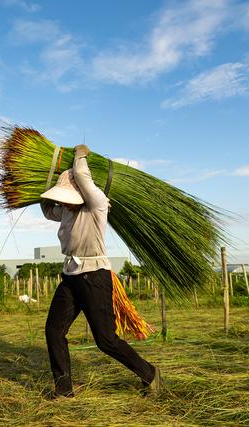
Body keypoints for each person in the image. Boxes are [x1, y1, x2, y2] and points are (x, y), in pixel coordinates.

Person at [40, 144, 162, 398]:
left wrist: (80, 156)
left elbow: (83, 178)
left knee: (105, 340)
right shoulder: (64, 210)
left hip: (95, 277)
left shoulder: (95, 205)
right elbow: (48, 210)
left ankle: (150, 374)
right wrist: (41, 189)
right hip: (70, 277)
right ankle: (63, 390)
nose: (64, 202)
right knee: (54, 330)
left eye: (68, 197)